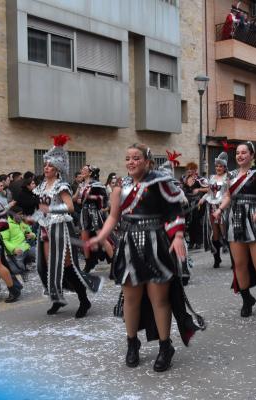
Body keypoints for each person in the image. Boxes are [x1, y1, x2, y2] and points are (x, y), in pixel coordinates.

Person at [87, 143, 205, 372]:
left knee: (159, 299)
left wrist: (178, 236)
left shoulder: (159, 184)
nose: (131, 162)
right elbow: (113, 217)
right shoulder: (118, 189)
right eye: (128, 158)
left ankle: (165, 346)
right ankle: (132, 343)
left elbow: (174, 211)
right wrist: (100, 236)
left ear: (148, 161)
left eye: (136, 158)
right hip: (129, 245)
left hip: (156, 245)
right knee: (131, 299)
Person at [33, 135, 102, 318]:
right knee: (47, 267)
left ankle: (84, 300)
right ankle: (57, 298)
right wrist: (34, 216)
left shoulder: (61, 186)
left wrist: (51, 208)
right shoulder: (41, 185)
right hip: (45, 229)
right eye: (45, 165)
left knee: (66, 267)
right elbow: (40, 208)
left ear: (57, 170)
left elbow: (70, 207)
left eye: (50, 166)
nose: (46, 167)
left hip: (60, 229)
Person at [213, 141, 256, 320]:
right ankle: (246, 300)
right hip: (235, 220)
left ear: (252, 155)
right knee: (239, 264)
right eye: (238, 153)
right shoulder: (231, 175)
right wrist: (219, 210)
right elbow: (228, 197)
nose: (240, 155)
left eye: (244, 152)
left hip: (254, 220)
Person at [77, 165, 114, 273]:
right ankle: (88, 263)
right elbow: (77, 199)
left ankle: (114, 263)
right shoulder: (82, 185)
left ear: (90, 173)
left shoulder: (97, 184)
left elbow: (105, 198)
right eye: (82, 169)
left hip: (94, 212)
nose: (82, 171)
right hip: (84, 212)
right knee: (84, 239)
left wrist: (92, 199)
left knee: (101, 238)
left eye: (85, 170)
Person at [199, 150, 229, 268]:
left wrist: (222, 206)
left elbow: (228, 194)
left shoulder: (228, 178)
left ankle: (234, 257)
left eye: (220, 166)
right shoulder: (211, 177)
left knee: (225, 232)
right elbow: (211, 192)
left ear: (225, 167)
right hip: (211, 207)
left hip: (223, 208)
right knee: (214, 233)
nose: (218, 168)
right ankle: (217, 259)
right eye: (217, 166)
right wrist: (203, 198)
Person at [0, 205, 36, 282]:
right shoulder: (6, 225)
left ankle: (48, 272)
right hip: (16, 252)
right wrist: (13, 249)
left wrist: (33, 235)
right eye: (19, 214)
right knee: (17, 269)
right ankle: (22, 271)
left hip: (26, 247)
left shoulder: (22, 223)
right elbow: (4, 240)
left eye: (21, 214)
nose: (21, 215)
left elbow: (30, 232)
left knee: (39, 254)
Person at [182, 162, 208, 249]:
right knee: (189, 223)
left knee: (197, 222)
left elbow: (209, 188)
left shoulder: (200, 179)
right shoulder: (184, 179)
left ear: (195, 170)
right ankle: (191, 242)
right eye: (188, 169)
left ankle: (199, 242)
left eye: (191, 169)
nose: (189, 170)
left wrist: (199, 189)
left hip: (198, 203)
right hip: (187, 204)